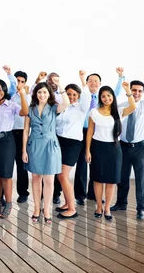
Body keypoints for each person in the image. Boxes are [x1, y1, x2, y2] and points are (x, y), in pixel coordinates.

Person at [111, 69, 144, 220]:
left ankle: (142, 208)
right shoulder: (122, 105)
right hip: (123, 146)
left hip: (140, 148)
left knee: (141, 179)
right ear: (129, 90)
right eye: (133, 90)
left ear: (143, 92)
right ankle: (121, 203)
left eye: (139, 91)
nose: (136, 93)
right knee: (122, 177)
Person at [85, 83, 136, 221]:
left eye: (109, 95)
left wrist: (127, 91)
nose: (106, 98)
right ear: (100, 98)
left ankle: (107, 207)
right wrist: (87, 151)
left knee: (111, 181)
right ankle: (99, 207)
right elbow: (90, 132)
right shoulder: (94, 112)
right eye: (103, 96)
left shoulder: (119, 111)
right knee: (97, 179)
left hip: (114, 149)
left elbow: (133, 106)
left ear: (113, 97)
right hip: (97, 148)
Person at [22, 82, 70, 224]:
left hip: (50, 145)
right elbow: (25, 131)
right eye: (39, 92)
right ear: (35, 94)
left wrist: (61, 85)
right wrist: (24, 150)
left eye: (44, 92)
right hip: (34, 144)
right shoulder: (30, 109)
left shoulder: (54, 107)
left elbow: (66, 102)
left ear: (49, 93)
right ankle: (37, 208)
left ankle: (47, 209)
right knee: (36, 178)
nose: (42, 95)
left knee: (49, 180)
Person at [75, 68, 125, 205]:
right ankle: (80, 195)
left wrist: (121, 77)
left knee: (96, 166)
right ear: (86, 83)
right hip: (82, 131)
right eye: (90, 81)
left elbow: (116, 92)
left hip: (97, 134)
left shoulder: (103, 99)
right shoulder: (81, 96)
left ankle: (93, 194)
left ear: (100, 83)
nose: (93, 83)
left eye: (96, 81)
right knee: (82, 164)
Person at [0, 79, 29, 219]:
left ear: (5, 90)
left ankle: (8, 203)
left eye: (0, 89)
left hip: (8, 141)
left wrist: (21, 94)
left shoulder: (11, 105)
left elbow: (25, 111)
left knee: (6, 175)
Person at [54, 75, 91, 220]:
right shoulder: (62, 108)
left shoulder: (81, 108)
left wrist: (83, 81)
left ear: (79, 96)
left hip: (72, 143)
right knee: (61, 175)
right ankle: (67, 203)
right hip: (59, 142)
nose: (71, 97)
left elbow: (87, 97)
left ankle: (72, 208)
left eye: (74, 94)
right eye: (68, 94)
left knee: (63, 175)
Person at [10, 70, 31, 203]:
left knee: (21, 164)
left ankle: (23, 192)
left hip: (21, 132)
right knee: (7, 161)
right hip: (9, 132)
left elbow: (26, 111)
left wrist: (23, 93)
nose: (19, 84)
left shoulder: (27, 96)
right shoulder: (10, 94)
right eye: (17, 81)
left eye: (22, 82)